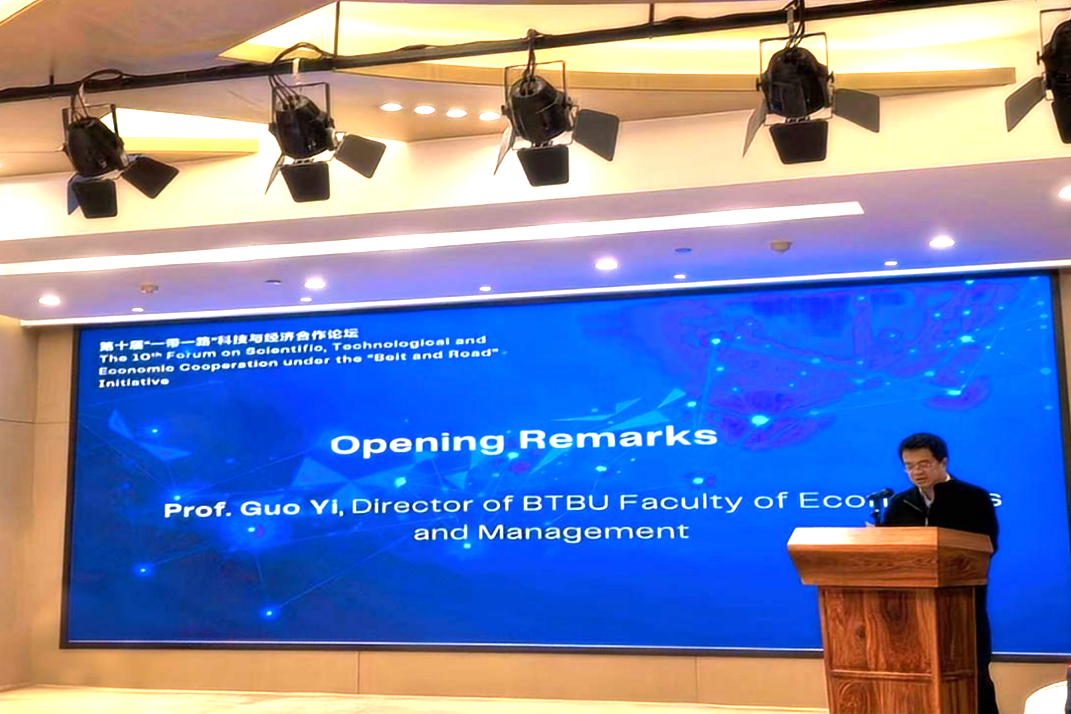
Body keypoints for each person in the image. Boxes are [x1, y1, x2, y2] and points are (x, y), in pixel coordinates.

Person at [882, 432, 1000, 714]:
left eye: (923, 464)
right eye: (909, 466)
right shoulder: (900, 503)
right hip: (912, 609)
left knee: (974, 678)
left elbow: (987, 547)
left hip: (962, 605)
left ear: (943, 462)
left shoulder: (973, 498)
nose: (917, 472)